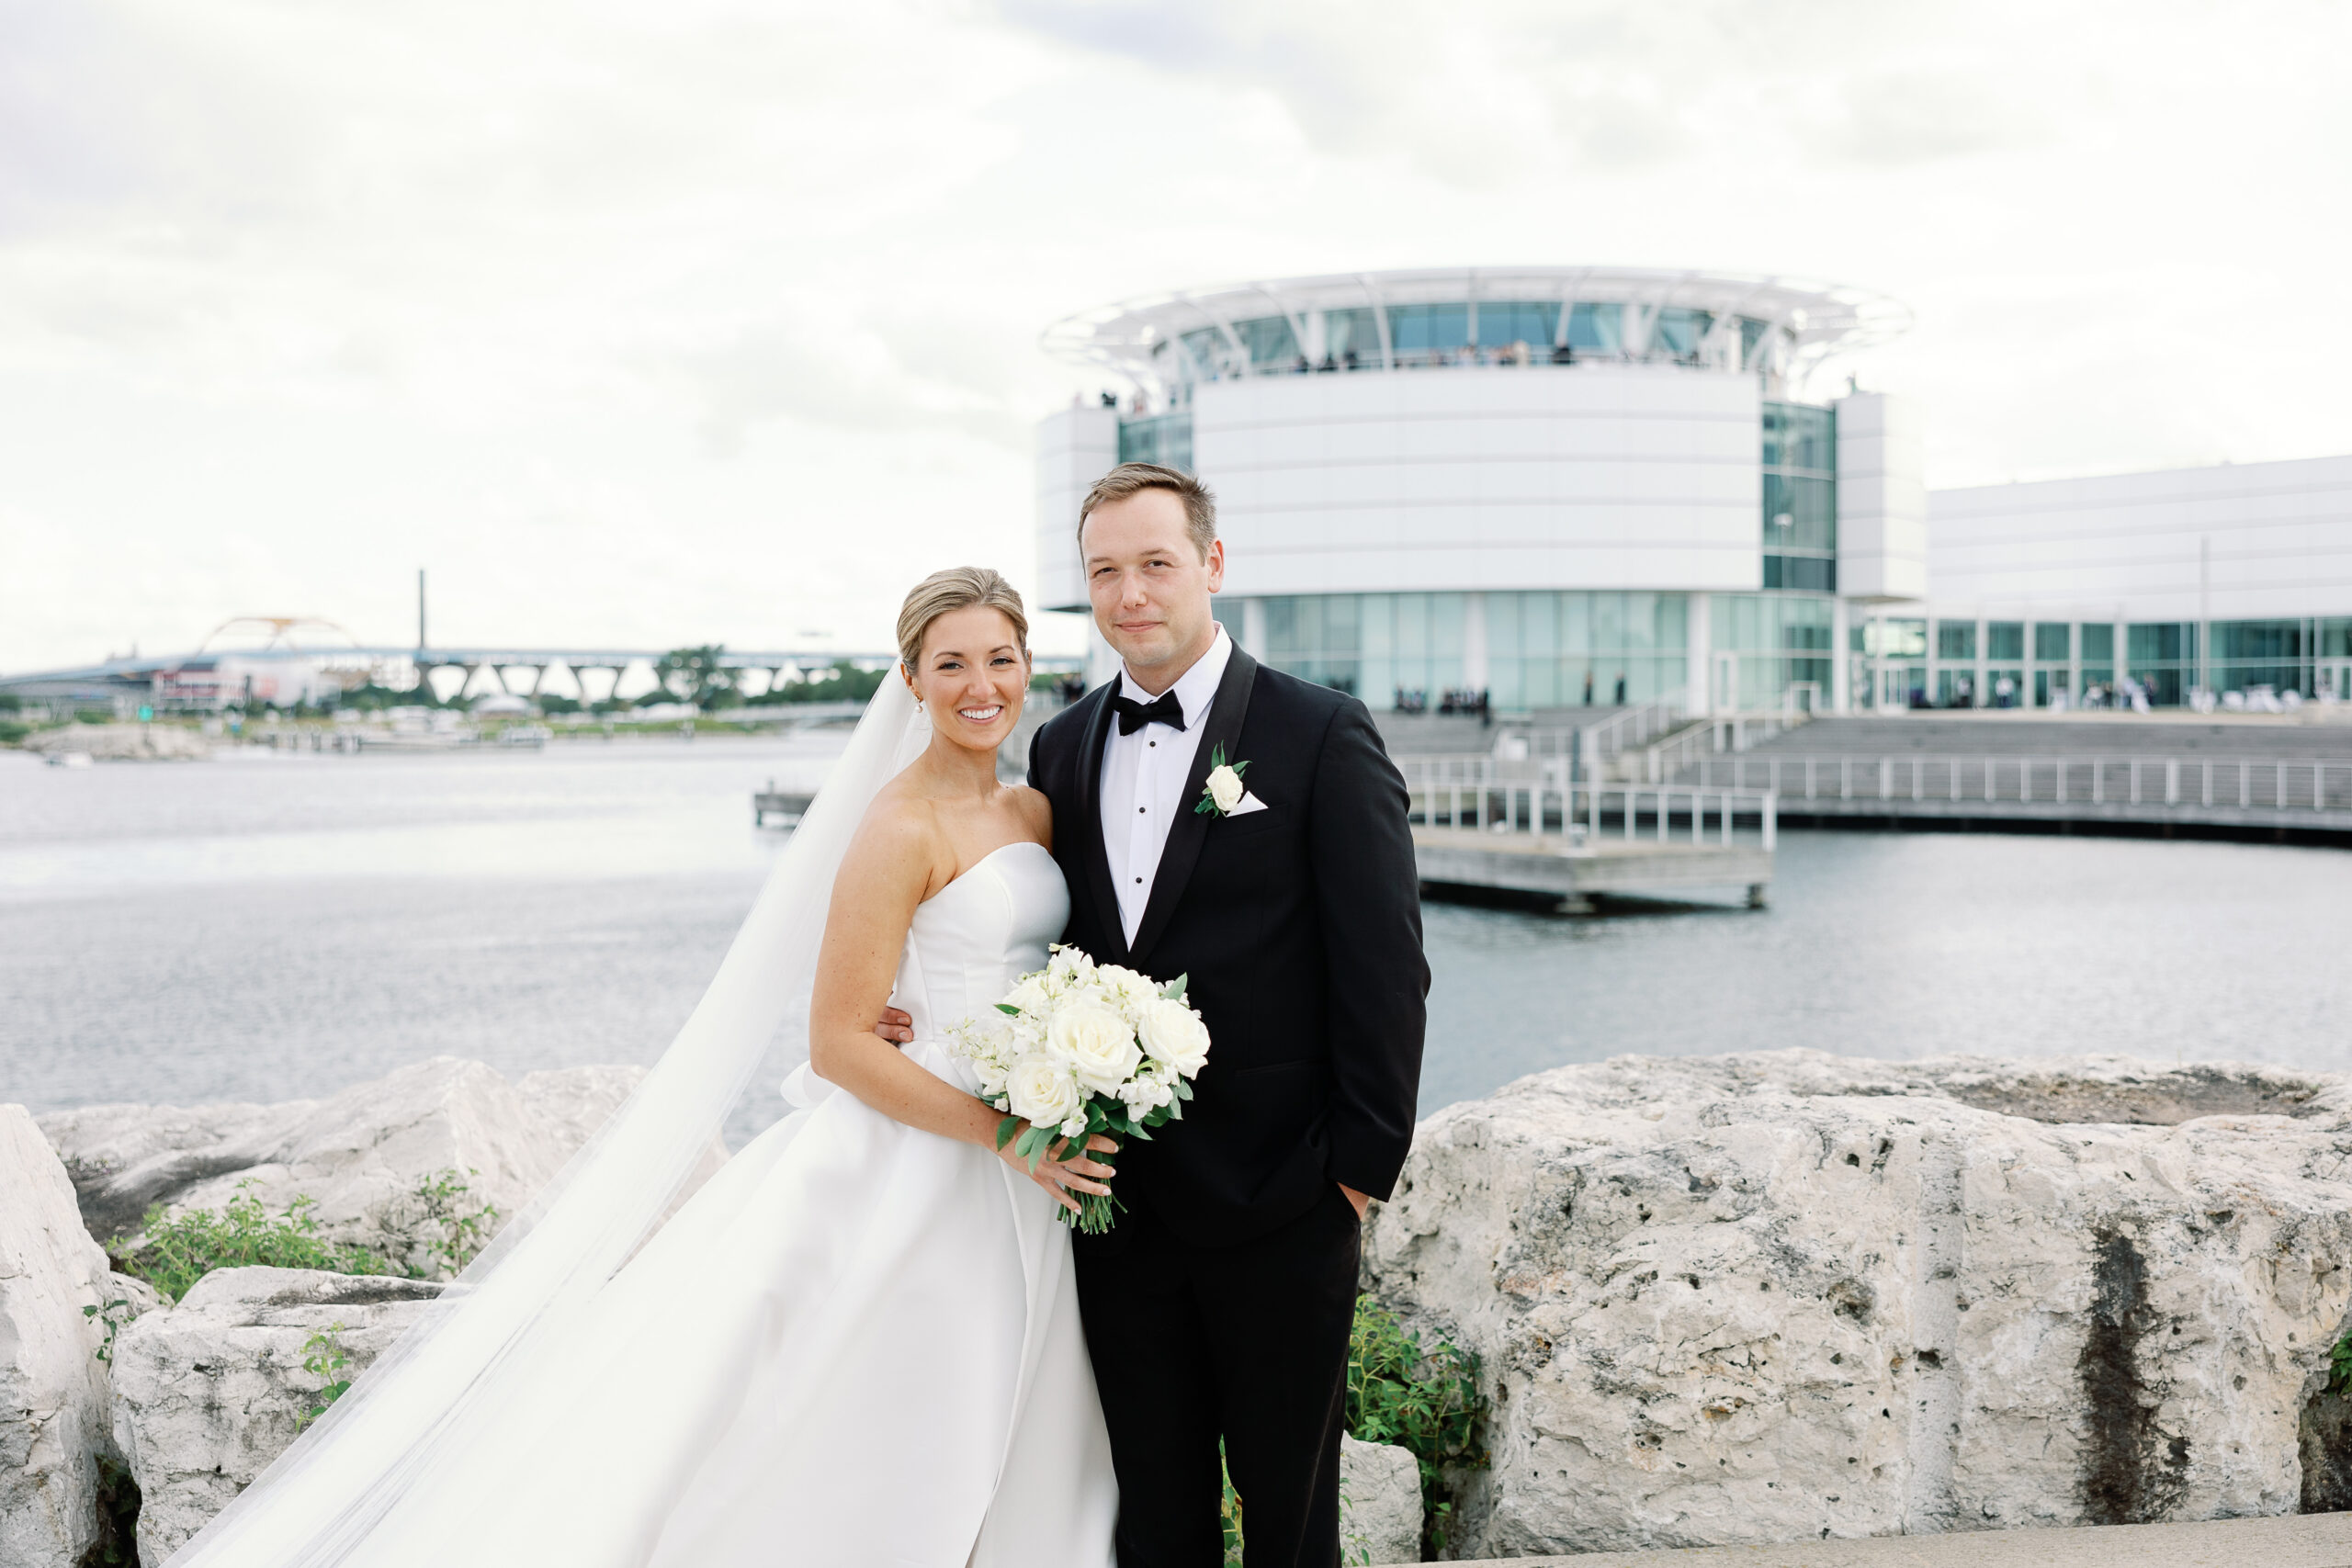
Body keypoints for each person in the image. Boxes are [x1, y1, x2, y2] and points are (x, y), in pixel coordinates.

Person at [170, 570, 1120, 1568]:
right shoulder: (897, 826)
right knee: (879, 1418)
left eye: (1001, 659)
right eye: (951, 663)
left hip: (1029, 1154)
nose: (981, 685)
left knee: (1013, 1401)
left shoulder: (1031, 810)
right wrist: (1004, 1134)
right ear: (912, 680)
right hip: (934, 1158)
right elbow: (835, 1042)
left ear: (1028, 666)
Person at [1024, 463, 1429, 1568]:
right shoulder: (1059, 745)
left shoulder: (1321, 733)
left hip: (1283, 1201)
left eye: (1155, 563)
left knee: (1291, 1519)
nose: (1130, 595)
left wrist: (1350, 1175)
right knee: (1152, 1512)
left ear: (1210, 564)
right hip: (1119, 1208)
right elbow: (1052, 946)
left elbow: (1387, 971)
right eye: (1104, 571)